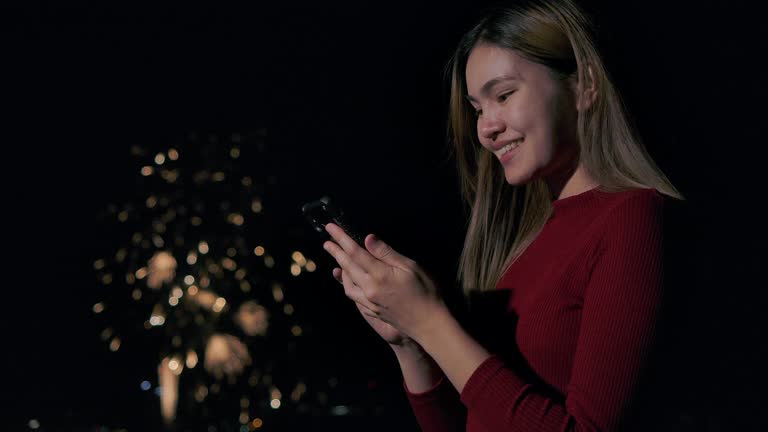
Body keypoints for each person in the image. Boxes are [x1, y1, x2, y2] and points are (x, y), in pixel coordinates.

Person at [321, 0, 685, 430]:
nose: (486, 128)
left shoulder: (633, 218)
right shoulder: (525, 246)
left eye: (504, 95)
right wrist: (410, 342)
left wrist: (431, 321)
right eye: (477, 108)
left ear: (584, 85)